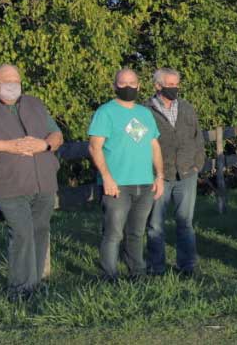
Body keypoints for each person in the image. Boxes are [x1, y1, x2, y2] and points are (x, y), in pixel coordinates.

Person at [0, 64, 63, 298]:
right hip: (9, 182)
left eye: (16, 82)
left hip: (44, 181)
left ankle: (38, 283)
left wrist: (45, 145)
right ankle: (21, 291)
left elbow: (57, 134)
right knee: (21, 233)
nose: (13, 86)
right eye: (6, 82)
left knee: (40, 230)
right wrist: (8, 146)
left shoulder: (34, 103)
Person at [88, 69, 165, 279]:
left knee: (137, 233)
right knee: (113, 234)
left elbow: (154, 146)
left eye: (132, 83)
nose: (128, 87)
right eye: (123, 83)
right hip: (117, 184)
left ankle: (137, 274)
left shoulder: (144, 113)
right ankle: (109, 276)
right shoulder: (105, 112)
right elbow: (95, 147)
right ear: (115, 86)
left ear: (139, 86)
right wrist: (106, 177)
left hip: (145, 183)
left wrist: (159, 176)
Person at [145, 68, 206, 276]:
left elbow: (198, 137)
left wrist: (198, 163)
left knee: (185, 223)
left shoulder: (187, 108)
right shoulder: (145, 111)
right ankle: (156, 267)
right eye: (169, 85)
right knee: (155, 225)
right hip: (159, 174)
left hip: (187, 172)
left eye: (176, 84)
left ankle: (187, 266)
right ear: (157, 86)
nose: (174, 88)